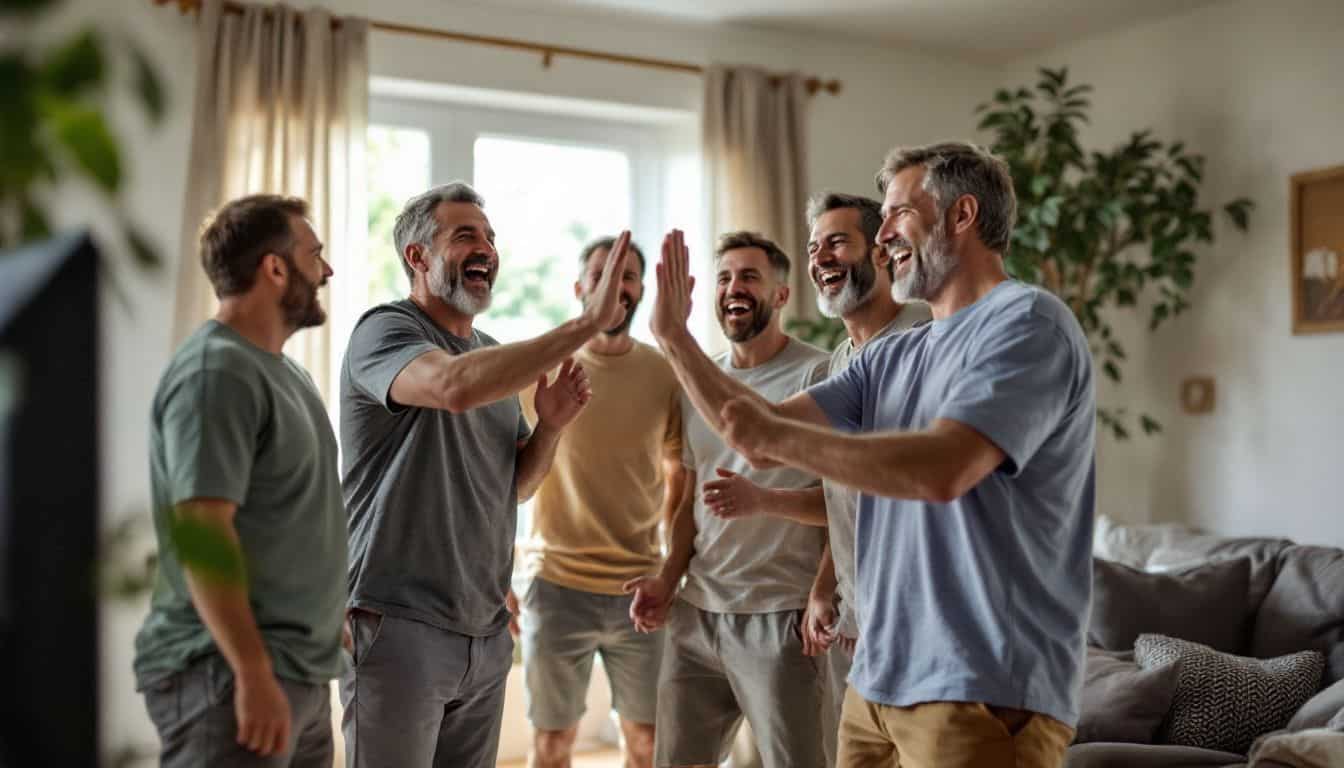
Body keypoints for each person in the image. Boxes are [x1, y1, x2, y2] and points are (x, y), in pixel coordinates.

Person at [650, 142, 1095, 768]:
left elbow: (943, 468)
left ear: (962, 215)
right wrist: (675, 340)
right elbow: (751, 427)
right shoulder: (893, 356)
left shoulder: (1026, 323)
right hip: (878, 679)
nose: (883, 235)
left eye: (898, 214)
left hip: (981, 685)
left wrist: (774, 445)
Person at [338, 182, 631, 767]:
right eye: (465, 234)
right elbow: (450, 387)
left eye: (491, 237)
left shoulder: (491, 356)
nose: (487, 248)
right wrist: (583, 326)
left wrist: (548, 429)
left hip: (485, 630)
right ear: (416, 257)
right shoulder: (385, 332)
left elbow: (515, 487)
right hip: (398, 624)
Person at [701, 192, 931, 767]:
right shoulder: (840, 363)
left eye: (836, 241)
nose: (821, 257)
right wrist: (828, 587)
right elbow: (842, 496)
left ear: (881, 252)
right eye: (813, 246)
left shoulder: (921, 343)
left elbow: (916, 490)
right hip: (857, 621)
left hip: (914, 623)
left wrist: (675, 343)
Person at [134, 194, 345, 767]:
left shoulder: (286, 373)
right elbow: (202, 528)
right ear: (275, 269)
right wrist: (251, 670)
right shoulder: (217, 372)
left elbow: (293, 513)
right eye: (315, 255)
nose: (326, 271)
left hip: (298, 669)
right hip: (227, 674)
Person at [625, 231, 829, 768]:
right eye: (724, 277)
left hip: (779, 615)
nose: (733, 287)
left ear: (782, 296)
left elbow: (846, 503)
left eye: (749, 276)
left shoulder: (820, 374)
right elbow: (688, 499)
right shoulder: (698, 380)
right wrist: (668, 580)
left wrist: (823, 589)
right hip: (698, 614)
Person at [514, 236, 686, 768]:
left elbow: (680, 476)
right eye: (602, 274)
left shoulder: (664, 373)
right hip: (555, 585)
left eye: (629, 275)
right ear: (579, 288)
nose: (618, 285)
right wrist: (498, 572)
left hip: (639, 590)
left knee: (648, 744)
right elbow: (502, 482)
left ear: (640, 290)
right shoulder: (542, 368)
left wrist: (669, 569)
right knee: (552, 746)